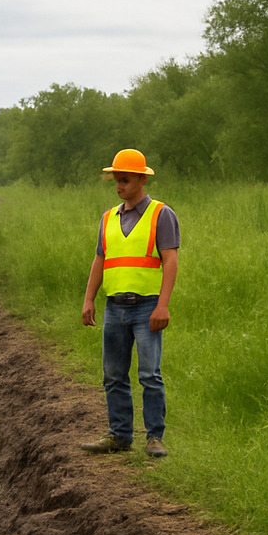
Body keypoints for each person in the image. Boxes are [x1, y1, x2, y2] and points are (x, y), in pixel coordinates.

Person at [79, 148, 178, 458]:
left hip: (147, 307)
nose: (119, 185)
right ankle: (119, 435)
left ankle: (154, 438)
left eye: (124, 180)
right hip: (114, 307)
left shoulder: (162, 214)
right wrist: (89, 299)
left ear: (140, 180)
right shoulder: (108, 217)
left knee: (150, 374)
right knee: (113, 374)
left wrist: (163, 305)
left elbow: (171, 261)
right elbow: (100, 260)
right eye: (116, 180)